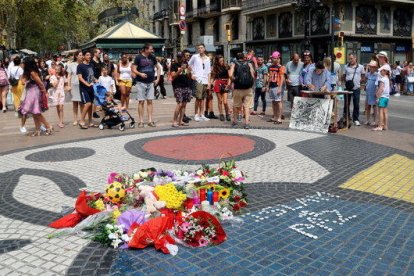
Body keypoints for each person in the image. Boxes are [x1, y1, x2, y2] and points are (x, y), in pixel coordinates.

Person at [18, 57, 52, 136]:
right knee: (34, 112)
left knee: (36, 112)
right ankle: (37, 130)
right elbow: (22, 82)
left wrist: (44, 92)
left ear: (27, 64)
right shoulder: (28, 72)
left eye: (24, 63)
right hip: (30, 92)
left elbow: (40, 83)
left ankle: (48, 126)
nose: (22, 64)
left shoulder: (33, 72)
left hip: (34, 92)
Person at [132, 43, 161, 127]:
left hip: (151, 82)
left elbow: (158, 68)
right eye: (151, 49)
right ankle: (141, 121)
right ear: (145, 49)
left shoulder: (152, 57)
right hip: (141, 82)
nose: (152, 50)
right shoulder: (138, 57)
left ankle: (150, 120)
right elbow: (133, 69)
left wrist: (158, 78)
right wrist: (140, 74)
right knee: (141, 101)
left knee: (150, 101)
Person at [227, 52, 255, 129]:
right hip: (248, 89)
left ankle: (235, 122)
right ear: (244, 57)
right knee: (246, 107)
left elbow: (230, 75)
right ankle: (246, 123)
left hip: (237, 89)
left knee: (236, 106)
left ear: (236, 57)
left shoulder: (234, 64)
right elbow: (253, 75)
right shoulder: (249, 64)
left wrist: (234, 80)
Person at [188, 44, 211, 122]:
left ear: (204, 49)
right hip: (198, 79)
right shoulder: (195, 57)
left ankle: (202, 114)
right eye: (199, 48)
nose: (200, 49)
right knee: (198, 98)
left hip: (205, 80)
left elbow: (209, 71)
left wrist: (209, 82)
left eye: (201, 48)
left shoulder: (208, 58)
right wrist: (192, 74)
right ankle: (196, 114)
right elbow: (189, 65)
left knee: (203, 98)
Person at [342, 53, 365, 126]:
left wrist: (361, 84)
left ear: (355, 58)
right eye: (349, 58)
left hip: (356, 88)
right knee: (346, 104)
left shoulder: (360, 67)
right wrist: (345, 82)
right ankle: (346, 117)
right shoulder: (346, 66)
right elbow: (343, 76)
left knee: (356, 104)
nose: (350, 60)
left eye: (351, 58)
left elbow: (363, 76)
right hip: (347, 88)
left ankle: (356, 119)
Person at [170, 53, 193, 127]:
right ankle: (174, 121)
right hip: (178, 86)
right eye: (178, 57)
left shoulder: (185, 64)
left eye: (181, 57)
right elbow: (173, 76)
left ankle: (181, 120)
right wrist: (179, 71)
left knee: (184, 104)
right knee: (179, 104)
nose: (179, 58)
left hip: (186, 85)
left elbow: (189, 76)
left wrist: (189, 71)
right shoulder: (174, 65)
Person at [77, 50, 95, 129]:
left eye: (90, 55)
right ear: (84, 56)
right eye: (87, 55)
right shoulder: (80, 66)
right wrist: (87, 84)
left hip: (91, 88)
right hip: (84, 88)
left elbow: (92, 76)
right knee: (87, 104)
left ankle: (90, 122)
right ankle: (81, 121)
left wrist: (96, 80)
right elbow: (80, 78)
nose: (89, 56)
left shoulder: (91, 65)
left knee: (91, 105)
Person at [266, 51, 286, 124]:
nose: (274, 59)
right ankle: (274, 116)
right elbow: (269, 76)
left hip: (277, 86)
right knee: (273, 102)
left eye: (275, 58)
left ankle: (279, 118)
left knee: (278, 102)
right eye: (273, 58)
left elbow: (282, 77)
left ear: (278, 58)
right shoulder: (270, 67)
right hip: (272, 85)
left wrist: (280, 87)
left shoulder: (281, 67)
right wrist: (268, 86)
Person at [211, 55, 231, 121]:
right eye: (220, 61)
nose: (222, 62)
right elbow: (213, 77)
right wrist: (211, 84)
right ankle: (221, 114)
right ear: (217, 61)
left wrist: (228, 84)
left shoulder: (226, 66)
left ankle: (227, 114)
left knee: (225, 101)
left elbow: (229, 76)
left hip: (225, 83)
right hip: (218, 83)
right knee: (220, 101)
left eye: (222, 60)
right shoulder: (215, 68)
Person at [67, 51, 83, 126]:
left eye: (82, 55)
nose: (81, 56)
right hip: (74, 85)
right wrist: (69, 85)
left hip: (82, 85)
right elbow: (69, 76)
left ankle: (82, 119)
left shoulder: (84, 64)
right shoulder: (71, 65)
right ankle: (75, 119)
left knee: (82, 103)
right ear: (76, 56)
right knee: (75, 103)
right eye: (80, 55)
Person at [373, 65, 391, 131]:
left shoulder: (382, 79)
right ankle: (385, 126)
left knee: (380, 111)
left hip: (382, 96)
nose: (380, 71)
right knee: (385, 111)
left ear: (385, 71)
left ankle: (380, 126)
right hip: (386, 97)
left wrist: (377, 96)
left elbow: (381, 89)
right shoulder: (387, 78)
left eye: (382, 70)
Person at [365, 60, 379, 126]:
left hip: (374, 92)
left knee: (375, 107)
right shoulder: (368, 74)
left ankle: (374, 121)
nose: (371, 68)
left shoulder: (377, 75)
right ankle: (367, 120)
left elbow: (378, 84)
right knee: (368, 107)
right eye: (370, 66)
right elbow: (365, 76)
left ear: (376, 68)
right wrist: (367, 68)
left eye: (373, 67)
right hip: (368, 92)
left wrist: (377, 92)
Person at [90, 48, 103, 118]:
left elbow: (101, 70)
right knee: (94, 96)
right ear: (95, 53)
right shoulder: (92, 62)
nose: (100, 54)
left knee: (98, 96)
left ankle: (96, 111)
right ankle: (93, 112)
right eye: (98, 53)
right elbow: (91, 72)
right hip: (93, 81)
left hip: (99, 80)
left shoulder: (100, 61)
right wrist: (94, 79)